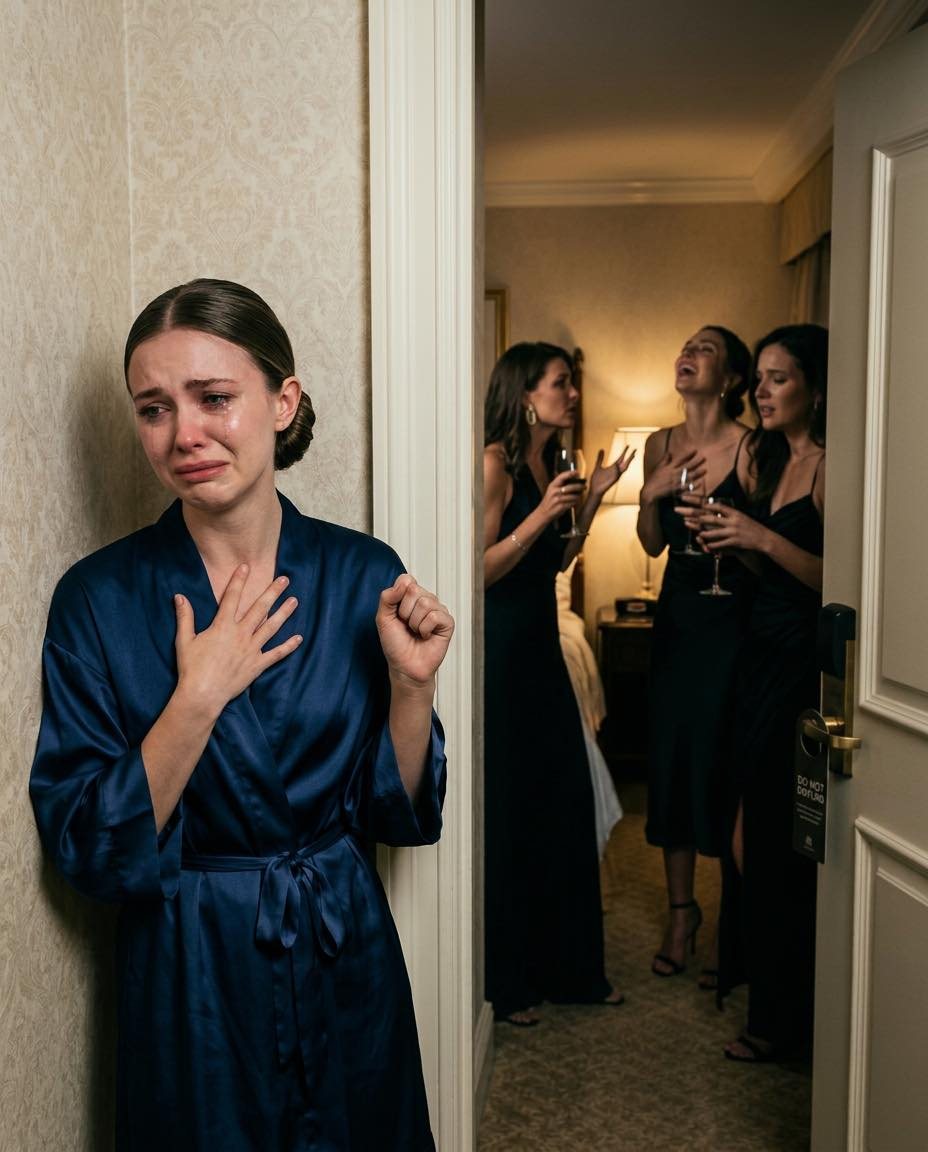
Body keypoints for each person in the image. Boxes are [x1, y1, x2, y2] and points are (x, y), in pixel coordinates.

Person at [29, 279, 454, 1150]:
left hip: (344, 953)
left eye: (213, 398)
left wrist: (413, 689)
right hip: (191, 973)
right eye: (153, 409)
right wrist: (197, 697)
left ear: (282, 401)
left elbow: (394, 817)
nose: (183, 434)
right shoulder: (98, 599)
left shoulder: (362, 573)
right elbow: (86, 846)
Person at [483, 341, 632, 1026]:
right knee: (513, 810)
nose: (572, 394)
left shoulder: (554, 463)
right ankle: (508, 983)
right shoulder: (494, 464)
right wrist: (542, 512)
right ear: (525, 394)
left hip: (542, 649)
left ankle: (570, 971)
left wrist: (592, 499)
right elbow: (477, 568)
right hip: (503, 653)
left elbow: (556, 560)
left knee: (562, 802)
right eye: (561, 383)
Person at [701, 324, 827, 1062]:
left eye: (779, 378)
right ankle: (766, 991)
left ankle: (785, 1023)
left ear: (816, 387)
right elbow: (775, 576)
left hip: (801, 671)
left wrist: (761, 537)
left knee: (776, 842)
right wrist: (738, 546)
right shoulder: (775, 459)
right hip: (757, 658)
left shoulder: (831, 466)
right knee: (741, 833)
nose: (762, 391)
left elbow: (838, 579)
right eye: (761, 379)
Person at [636, 326, 753, 986]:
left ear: (731, 378)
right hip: (678, 616)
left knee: (723, 762)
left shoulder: (752, 448)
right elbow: (652, 544)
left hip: (733, 621)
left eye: (705, 348)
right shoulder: (660, 442)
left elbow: (763, 551)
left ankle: (731, 927)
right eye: (686, 346)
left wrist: (731, 540)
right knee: (673, 761)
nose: (688, 353)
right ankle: (682, 915)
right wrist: (649, 494)